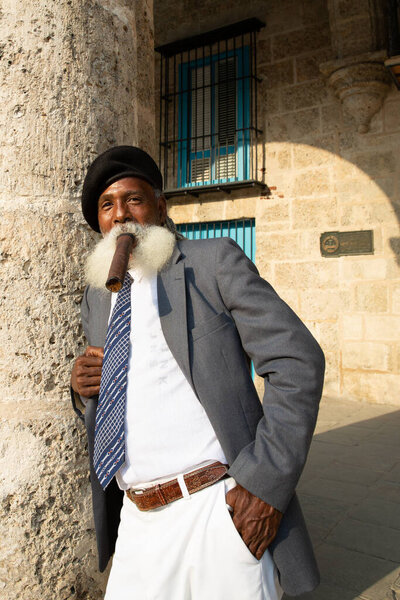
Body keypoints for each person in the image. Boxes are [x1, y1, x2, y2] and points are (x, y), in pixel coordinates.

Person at [71, 145, 325, 600]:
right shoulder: (96, 296)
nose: (121, 215)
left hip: (217, 512)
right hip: (136, 522)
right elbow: (117, 396)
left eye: (134, 199)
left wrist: (264, 488)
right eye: (107, 206)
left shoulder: (211, 263)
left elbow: (297, 361)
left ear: (160, 207)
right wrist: (82, 388)